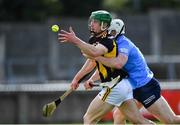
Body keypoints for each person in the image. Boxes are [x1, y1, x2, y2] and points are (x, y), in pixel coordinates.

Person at [58, 10, 153, 124]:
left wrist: (76, 41)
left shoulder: (108, 40)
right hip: (122, 86)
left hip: (114, 87)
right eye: (91, 21)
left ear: (104, 25)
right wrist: (77, 79)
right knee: (139, 120)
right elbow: (92, 61)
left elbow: (95, 52)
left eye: (96, 22)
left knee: (89, 118)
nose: (92, 24)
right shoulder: (94, 40)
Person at [91, 18, 180, 124]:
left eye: (112, 31)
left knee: (171, 120)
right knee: (118, 115)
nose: (109, 33)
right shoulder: (111, 45)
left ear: (118, 31)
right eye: (108, 30)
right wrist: (92, 79)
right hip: (132, 87)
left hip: (145, 87)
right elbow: (108, 67)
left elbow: (118, 64)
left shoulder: (123, 44)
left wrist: (96, 56)